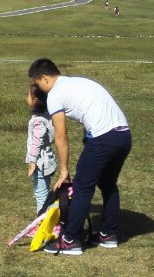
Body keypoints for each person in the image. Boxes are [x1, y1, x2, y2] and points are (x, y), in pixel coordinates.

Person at [28, 58, 131, 255]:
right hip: (124, 135)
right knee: (108, 184)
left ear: (44, 78)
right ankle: (108, 234)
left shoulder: (55, 94)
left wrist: (64, 169)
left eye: (38, 83)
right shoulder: (78, 82)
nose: (39, 88)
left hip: (104, 138)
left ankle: (70, 239)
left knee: (82, 187)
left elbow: (60, 135)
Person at [25, 84, 57, 213]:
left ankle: (40, 225)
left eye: (28, 95)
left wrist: (32, 162)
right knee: (44, 192)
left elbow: (37, 143)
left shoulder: (39, 121)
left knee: (41, 194)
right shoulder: (46, 115)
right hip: (46, 159)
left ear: (35, 100)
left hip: (40, 162)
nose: (26, 98)